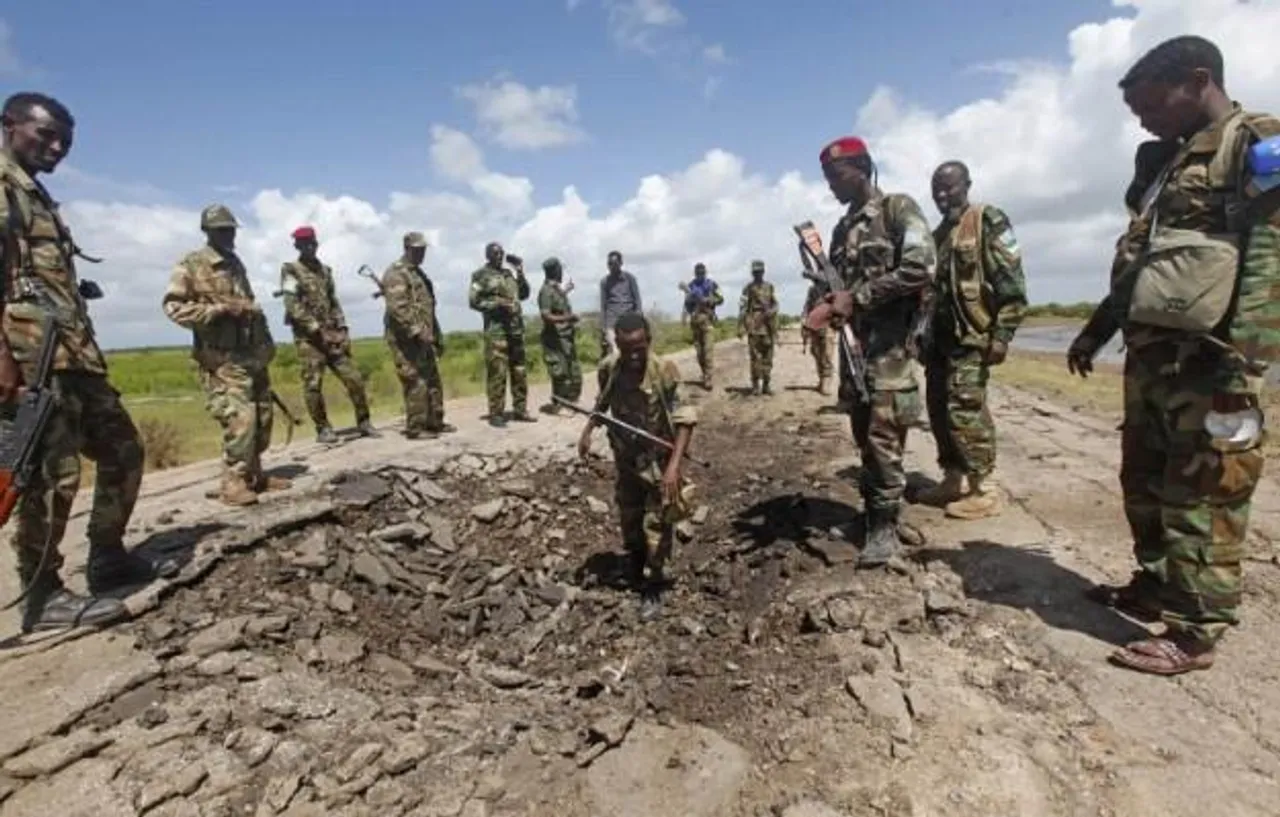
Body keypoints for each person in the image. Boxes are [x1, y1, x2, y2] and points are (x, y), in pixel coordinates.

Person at [1067, 35, 1280, 676]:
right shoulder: (1167, 164)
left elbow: (1271, 255)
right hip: (1155, 361)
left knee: (1206, 495)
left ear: (1198, 79)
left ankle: (1195, 631)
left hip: (1213, 363)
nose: (1144, 120)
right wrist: (1095, 331)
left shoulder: (1257, 140)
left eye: (1152, 106)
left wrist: (1244, 365)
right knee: (1147, 483)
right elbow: (1144, 265)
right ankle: (1157, 584)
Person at [0, 91, 176, 632]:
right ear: (9, 125)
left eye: (65, 142)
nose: (57, 148)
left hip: (71, 353)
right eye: (45, 135)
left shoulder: (35, 194)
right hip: (30, 359)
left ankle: (107, 557)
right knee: (52, 475)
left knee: (122, 449)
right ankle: (41, 594)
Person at [814, 136, 936, 567]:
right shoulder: (841, 229)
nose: (830, 184)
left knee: (885, 441)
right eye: (826, 176)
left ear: (862, 170)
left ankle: (885, 529)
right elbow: (836, 289)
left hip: (889, 353)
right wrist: (826, 303)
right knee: (864, 437)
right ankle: (871, 517)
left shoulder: (897, 209)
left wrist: (859, 298)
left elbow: (921, 268)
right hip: (854, 353)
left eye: (837, 175)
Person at [919, 161, 1028, 519]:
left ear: (967, 184)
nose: (942, 195)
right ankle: (953, 478)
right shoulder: (937, 237)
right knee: (938, 409)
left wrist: (1003, 335)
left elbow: (1011, 281)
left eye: (949, 187)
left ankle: (985, 488)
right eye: (937, 190)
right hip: (939, 343)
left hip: (972, 337)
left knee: (966, 409)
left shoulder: (986, 220)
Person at [163, 204, 289, 506]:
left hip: (252, 353)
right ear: (207, 231)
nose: (229, 235)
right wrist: (217, 310)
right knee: (240, 421)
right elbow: (173, 308)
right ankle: (232, 483)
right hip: (222, 359)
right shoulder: (191, 264)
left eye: (231, 229)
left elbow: (248, 303)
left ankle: (254, 475)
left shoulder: (235, 263)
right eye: (222, 230)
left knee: (262, 417)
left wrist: (264, 341)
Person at [577, 311, 696, 619]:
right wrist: (588, 430)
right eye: (626, 349)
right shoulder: (609, 369)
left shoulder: (664, 371)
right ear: (617, 344)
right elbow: (602, 403)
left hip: (659, 461)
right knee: (629, 516)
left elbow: (685, 420)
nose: (633, 356)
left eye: (639, 348)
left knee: (657, 522)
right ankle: (635, 560)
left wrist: (673, 467)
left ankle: (655, 584)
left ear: (649, 341)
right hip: (626, 458)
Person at [279, 225, 378, 444]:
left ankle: (364, 422)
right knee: (313, 384)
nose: (309, 247)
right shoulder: (290, 270)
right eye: (304, 244)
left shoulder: (325, 271)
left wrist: (342, 328)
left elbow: (334, 302)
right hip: (309, 339)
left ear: (316, 243)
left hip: (332, 336)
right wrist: (314, 328)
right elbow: (291, 303)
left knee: (354, 379)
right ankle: (323, 429)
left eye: (312, 243)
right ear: (297, 246)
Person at [382, 232, 455, 438]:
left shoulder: (419, 275)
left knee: (432, 379)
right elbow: (398, 308)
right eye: (417, 250)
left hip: (425, 337)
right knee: (414, 381)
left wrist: (436, 335)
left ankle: (435, 422)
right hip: (405, 340)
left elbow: (429, 308)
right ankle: (416, 427)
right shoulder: (396, 273)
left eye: (423, 249)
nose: (421, 253)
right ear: (406, 248)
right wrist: (416, 331)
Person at [469, 241, 534, 427]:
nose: (500, 255)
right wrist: (497, 304)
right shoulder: (480, 275)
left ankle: (520, 410)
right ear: (488, 255)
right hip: (497, 333)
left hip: (515, 331)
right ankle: (496, 413)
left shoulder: (508, 274)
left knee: (519, 371)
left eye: (501, 252)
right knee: (497, 373)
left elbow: (524, 294)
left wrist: (520, 271)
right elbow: (473, 301)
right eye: (496, 253)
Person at [537, 257, 582, 413]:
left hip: (566, 338)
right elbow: (546, 316)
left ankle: (569, 402)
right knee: (560, 373)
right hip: (555, 339)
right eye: (560, 269)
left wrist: (566, 290)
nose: (561, 271)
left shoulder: (555, 289)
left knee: (573, 371)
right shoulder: (546, 291)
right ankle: (559, 403)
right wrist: (569, 318)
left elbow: (558, 303)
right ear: (555, 270)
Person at [737, 260, 778, 394]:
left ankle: (766, 384)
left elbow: (776, 305)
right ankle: (755, 386)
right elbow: (742, 308)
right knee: (755, 358)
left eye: (759, 271)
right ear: (752, 272)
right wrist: (741, 326)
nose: (757, 274)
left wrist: (771, 312)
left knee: (768, 357)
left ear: (763, 271)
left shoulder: (770, 286)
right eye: (755, 272)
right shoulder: (748, 288)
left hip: (768, 326)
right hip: (754, 325)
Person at [681, 262, 723, 388]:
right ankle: (705, 373)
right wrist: (684, 316)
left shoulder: (712, 284)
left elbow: (721, 299)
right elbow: (687, 304)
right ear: (695, 273)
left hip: (708, 321)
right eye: (698, 273)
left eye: (702, 273)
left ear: (705, 273)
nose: (700, 275)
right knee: (700, 353)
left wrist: (710, 300)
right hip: (695, 322)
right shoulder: (691, 286)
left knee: (708, 351)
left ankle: (708, 378)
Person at [598, 250, 642, 357]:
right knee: (612, 346)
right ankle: (615, 356)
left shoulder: (630, 278)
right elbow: (603, 305)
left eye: (614, 263)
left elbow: (637, 299)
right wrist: (603, 325)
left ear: (621, 263)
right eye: (609, 264)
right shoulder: (604, 282)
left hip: (629, 315)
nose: (611, 266)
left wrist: (638, 315)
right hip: (612, 318)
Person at [801, 282, 834, 395]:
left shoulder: (832, 286)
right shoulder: (813, 289)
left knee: (827, 353)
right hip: (815, 324)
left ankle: (826, 381)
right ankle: (821, 379)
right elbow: (807, 305)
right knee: (816, 352)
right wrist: (805, 318)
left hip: (828, 323)